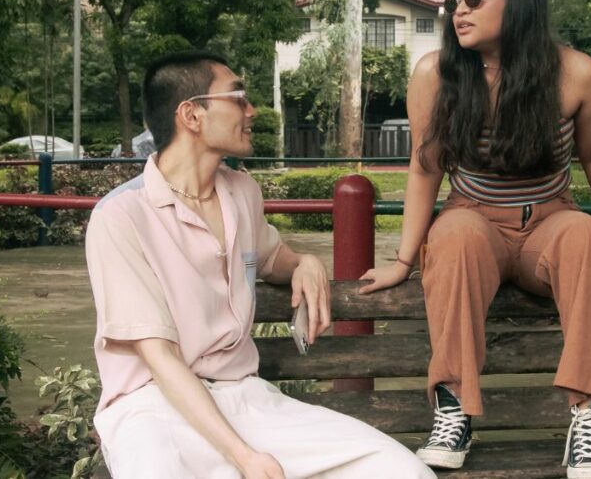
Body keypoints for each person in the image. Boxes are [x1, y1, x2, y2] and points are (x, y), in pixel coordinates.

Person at [358, 0, 591, 478]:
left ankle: (588, 419)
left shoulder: (576, 73)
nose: (460, 10)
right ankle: (453, 409)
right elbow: (425, 169)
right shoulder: (436, 74)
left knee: (587, 236)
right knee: (452, 235)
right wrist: (404, 259)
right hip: (474, 220)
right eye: (455, 0)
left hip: (550, 220)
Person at [86, 51, 435, 479]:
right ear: (191, 114)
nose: (252, 111)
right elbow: (159, 356)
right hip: (155, 407)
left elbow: (270, 258)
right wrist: (244, 457)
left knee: (398, 470)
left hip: (245, 398)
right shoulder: (121, 216)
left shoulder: (241, 192)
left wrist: (305, 262)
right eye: (238, 98)